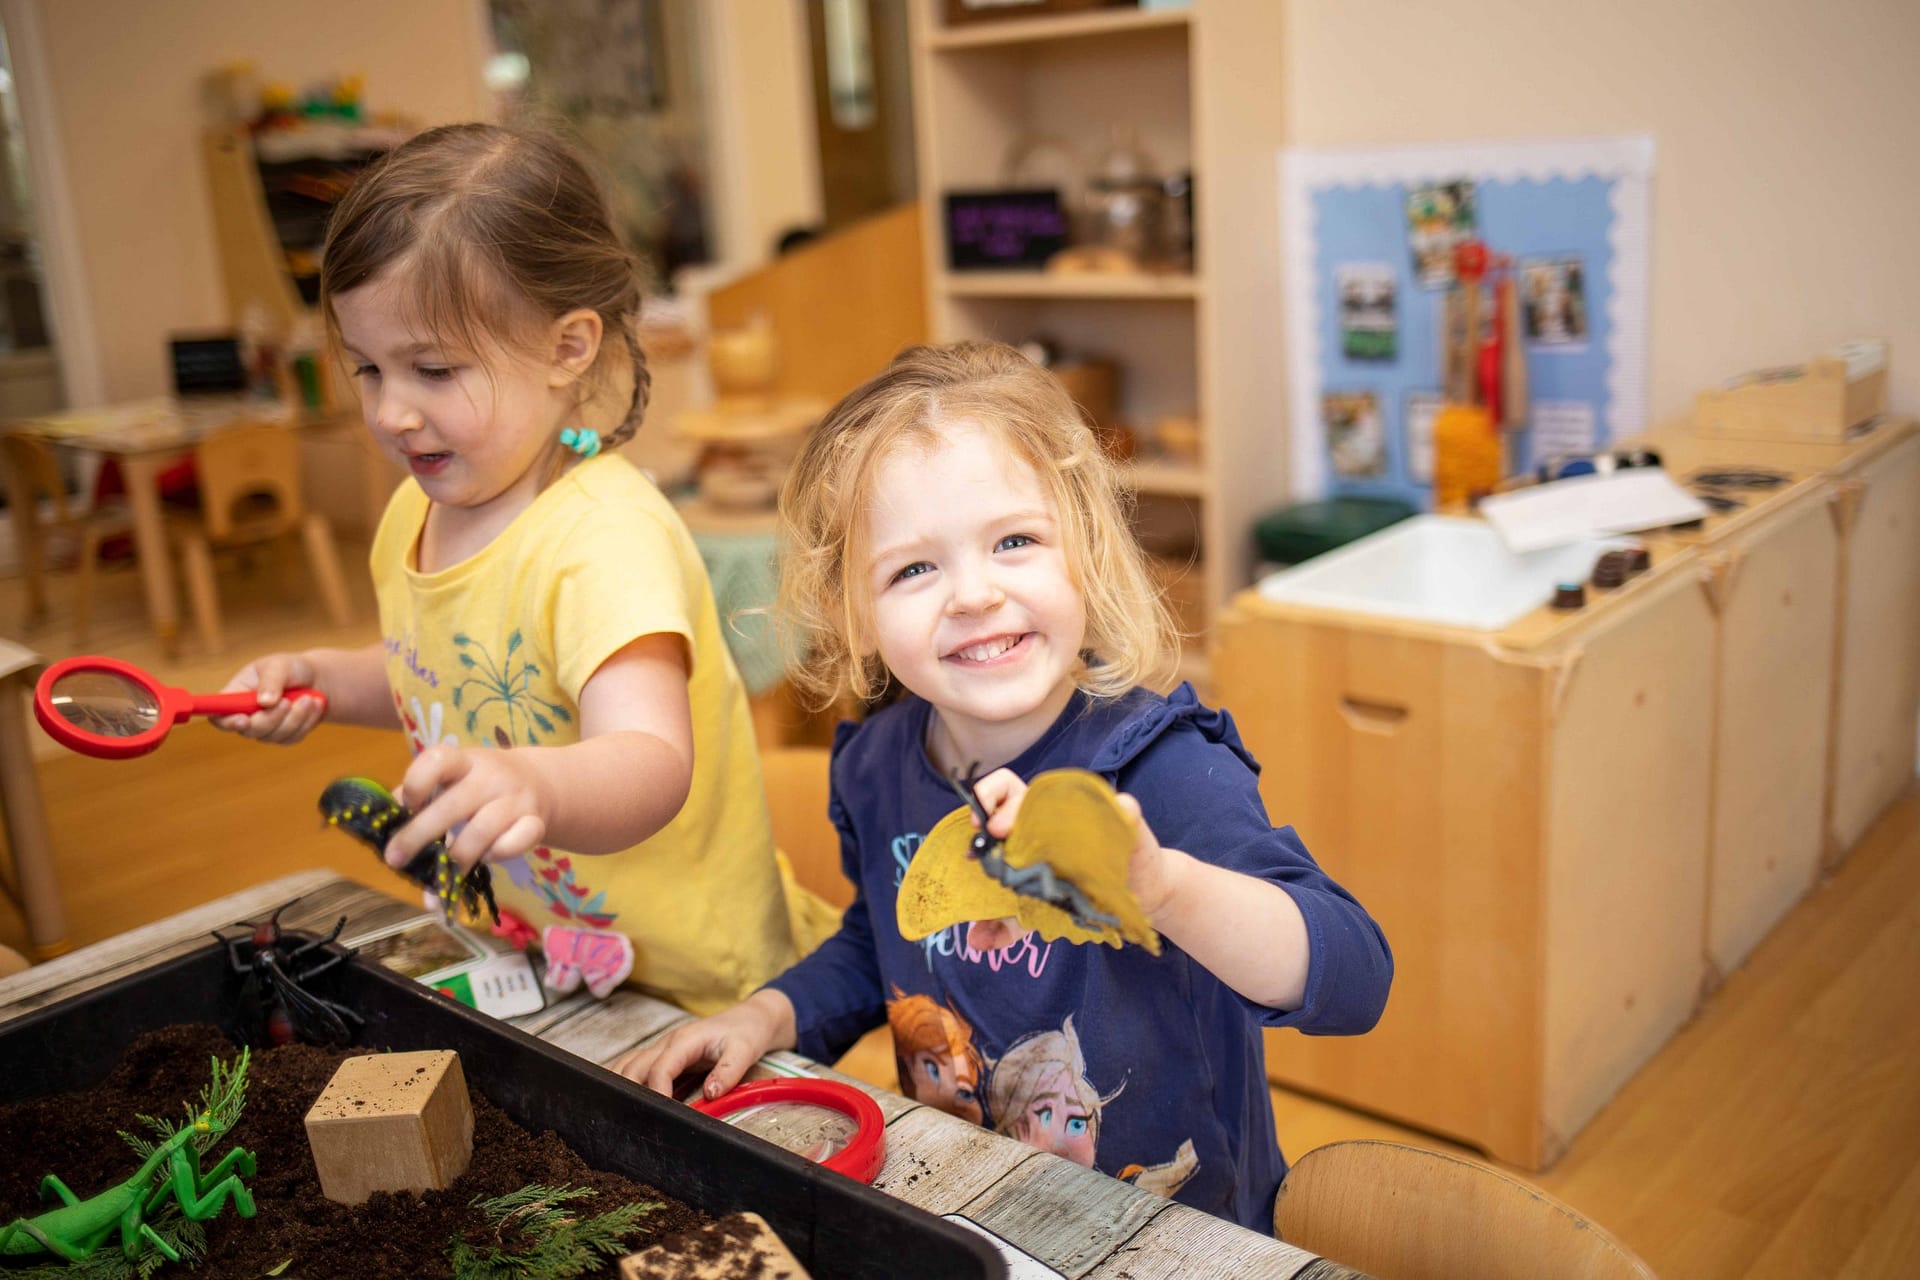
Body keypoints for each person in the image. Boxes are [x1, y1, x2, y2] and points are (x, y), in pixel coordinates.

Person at [614, 341, 1393, 1230]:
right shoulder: (875, 767)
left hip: (1176, 1232)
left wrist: (1163, 889)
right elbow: (884, 946)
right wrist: (765, 1015)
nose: (974, 594)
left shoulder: (1163, 767)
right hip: (971, 1207)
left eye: (1014, 542)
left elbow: (1355, 976)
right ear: (853, 616)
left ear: (1087, 555)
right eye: (914, 568)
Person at [213, 123, 829, 1014]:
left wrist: (534, 781)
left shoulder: (604, 539)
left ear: (566, 348)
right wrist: (320, 681)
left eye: (431, 369)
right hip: (550, 957)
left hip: (693, 989)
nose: (391, 412)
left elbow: (651, 758)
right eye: (367, 368)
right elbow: (449, 679)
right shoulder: (416, 513)